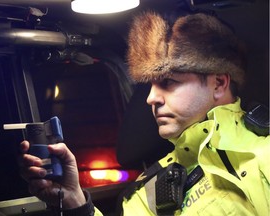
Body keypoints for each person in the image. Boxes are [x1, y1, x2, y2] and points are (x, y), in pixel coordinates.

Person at [19, 11, 270, 216]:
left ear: (218, 84)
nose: (151, 98)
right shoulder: (148, 192)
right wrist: (73, 199)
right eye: (149, 85)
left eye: (169, 82)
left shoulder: (263, 151)